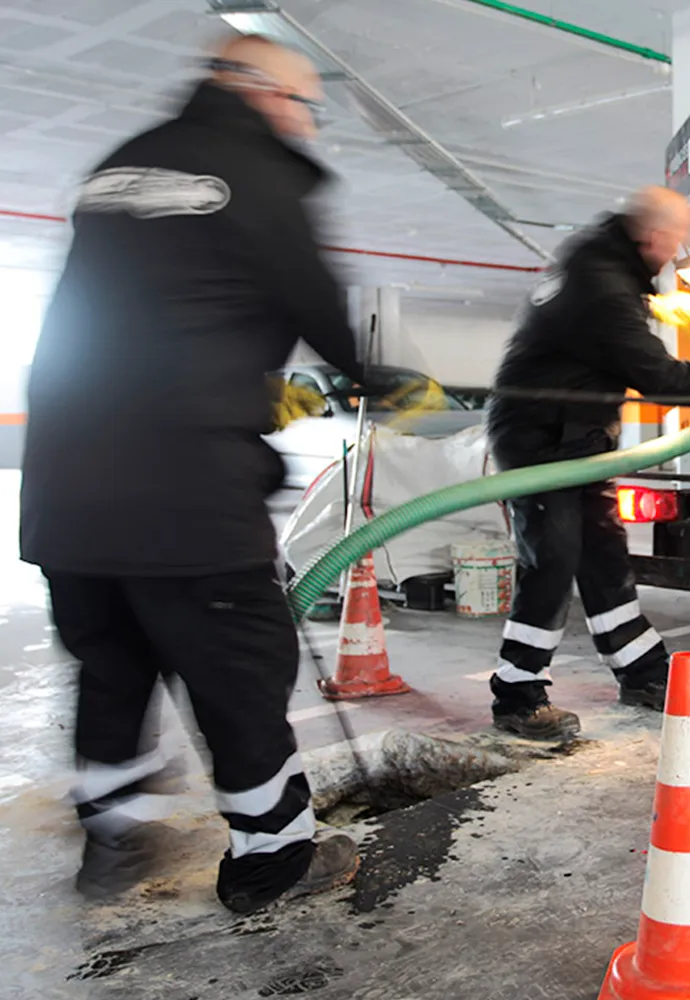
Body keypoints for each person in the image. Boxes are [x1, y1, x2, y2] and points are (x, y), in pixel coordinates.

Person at [20, 34, 363, 913]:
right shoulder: (257, 169)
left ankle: (110, 838)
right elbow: (315, 303)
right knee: (239, 676)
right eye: (303, 103)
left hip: (67, 494)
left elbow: (156, 314)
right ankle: (272, 862)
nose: (304, 121)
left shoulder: (122, 165)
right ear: (257, 90)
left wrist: (252, 389)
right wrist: (372, 375)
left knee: (111, 665)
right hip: (184, 499)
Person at [485, 187, 690, 740]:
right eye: (673, 240)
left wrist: (649, 305)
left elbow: (591, 329)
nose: (675, 253)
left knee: (602, 554)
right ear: (651, 235)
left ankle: (644, 673)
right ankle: (517, 694)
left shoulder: (602, 262)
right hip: (539, 438)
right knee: (552, 559)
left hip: (577, 435)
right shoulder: (603, 284)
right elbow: (659, 377)